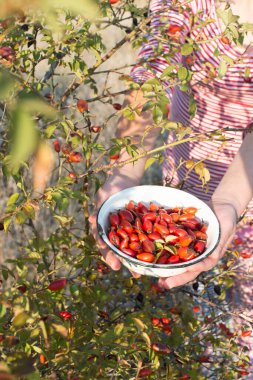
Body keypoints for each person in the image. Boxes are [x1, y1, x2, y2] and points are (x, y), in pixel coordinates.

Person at [90, 0, 253, 368]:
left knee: (246, 303)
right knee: (198, 279)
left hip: (247, 178)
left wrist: (229, 200)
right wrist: (123, 173)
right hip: (187, 170)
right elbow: (154, 75)